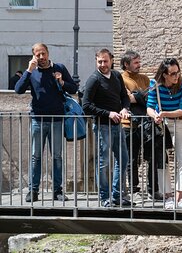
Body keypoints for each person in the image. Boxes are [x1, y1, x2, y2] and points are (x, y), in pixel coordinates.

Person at [15, 43, 77, 202]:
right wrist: (28, 70)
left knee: (57, 156)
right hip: (37, 120)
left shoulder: (59, 68)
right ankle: (33, 191)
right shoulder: (32, 72)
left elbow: (73, 88)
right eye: (38, 54)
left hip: (57, 120)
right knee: (36, 157)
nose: (41, 57)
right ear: (34, 56)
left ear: (48, 53)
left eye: (43, 53)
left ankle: (58, 191)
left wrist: (62, 82)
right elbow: (18, 90)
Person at [82, 48, 132, 207]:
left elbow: (125, 97)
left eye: (105, 61)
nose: (103, 64)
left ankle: (117, 195)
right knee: (103, 163)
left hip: (117, 126)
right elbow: (86, 106)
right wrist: (108, 113)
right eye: (99, 61)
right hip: (103, 126)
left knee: (123, 160)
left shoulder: (117, 75)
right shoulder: (94, 79)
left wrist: (124, 108)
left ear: (111, 60)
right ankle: (105, 197)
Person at [147, 58, 182, 210]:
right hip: (162, 125)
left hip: (178, 122)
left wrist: (164, 113)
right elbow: (150, 107)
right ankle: (168, 196)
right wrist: (155, 116)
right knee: (162, 160)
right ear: (164, 74)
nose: (176, 76)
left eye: (177, 72)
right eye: (172, 73)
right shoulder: (155, 85)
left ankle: (180, 198)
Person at [119, 50, 154, 198]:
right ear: (126, 64)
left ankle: (152, 189)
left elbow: (150, 97)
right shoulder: (121, 79)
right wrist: (140, 96)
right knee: (131, 158)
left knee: (149, 157)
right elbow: (127, 99)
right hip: (128, 124)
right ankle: (134, 188)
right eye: (136, 63)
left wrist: (137, 96)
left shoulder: (145, 78)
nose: (139, 65)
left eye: (139, 62)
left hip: (145, 123)